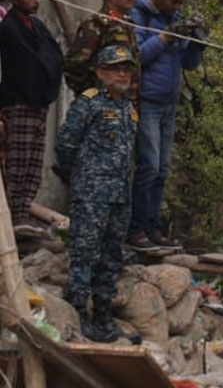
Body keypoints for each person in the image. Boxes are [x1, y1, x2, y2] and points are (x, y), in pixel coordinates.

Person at [57, 45, 139, 343]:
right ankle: (79, 316)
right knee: (85, 255)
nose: (122, 74)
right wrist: (79, 179)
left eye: (126, 69)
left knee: (111, 257)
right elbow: (65, 145)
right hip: (91, 195)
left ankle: (103, 319)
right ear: (100, 72)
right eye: (116, 68)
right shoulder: (88, 104)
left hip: (119, 197)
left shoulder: (128, 109)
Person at [128, 0, 206, 250]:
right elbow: (136, 57)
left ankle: (153, 228)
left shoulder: (173, 19)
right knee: (148, 166)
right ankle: (136, 230)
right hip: (146, 101)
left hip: (169, 103)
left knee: (162, 170)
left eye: (180, 3)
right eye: (173, 1)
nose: (176, 8)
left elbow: (189, 65)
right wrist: (164, 38)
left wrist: (197, 43)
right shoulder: (138, 17)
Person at [0, 0, 63, 238]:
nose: (35, 1)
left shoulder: (36, 26)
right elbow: (26, 64)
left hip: (38, 103)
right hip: (18, 101)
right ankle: (14, 214)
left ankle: (25, 210)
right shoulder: (8, 28)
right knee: (18, 160)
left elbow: (52, 56)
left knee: (33, 163)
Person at [64, 0, 140, 95]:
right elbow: (73, 68)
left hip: (125, 103)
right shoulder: (96, 26)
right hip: (101, 105)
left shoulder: (127, 25)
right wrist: (93, 95)